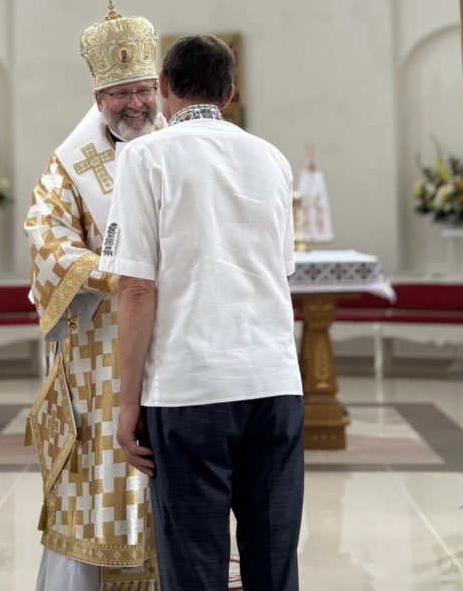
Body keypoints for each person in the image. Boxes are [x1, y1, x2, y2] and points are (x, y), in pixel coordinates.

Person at [100, 34, 305, 591]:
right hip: (274, 386)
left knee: (194, 570)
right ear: (230, 93)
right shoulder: (272, 158)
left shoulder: (145, 156)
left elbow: (136, 289)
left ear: (164, 86)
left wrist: (127, 403)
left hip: (188, 389)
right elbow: (281, 269)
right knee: (274, 566)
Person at [25, 0, 163, 591]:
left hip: (170, 338)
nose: (135, 103)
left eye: (143, 90)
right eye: (121, 93)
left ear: (158, 88)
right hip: (97, 353)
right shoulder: (70, 164)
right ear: (99, 97)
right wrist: (117, 275)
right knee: (100, 470)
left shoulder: (180, 147)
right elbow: (46, 238)